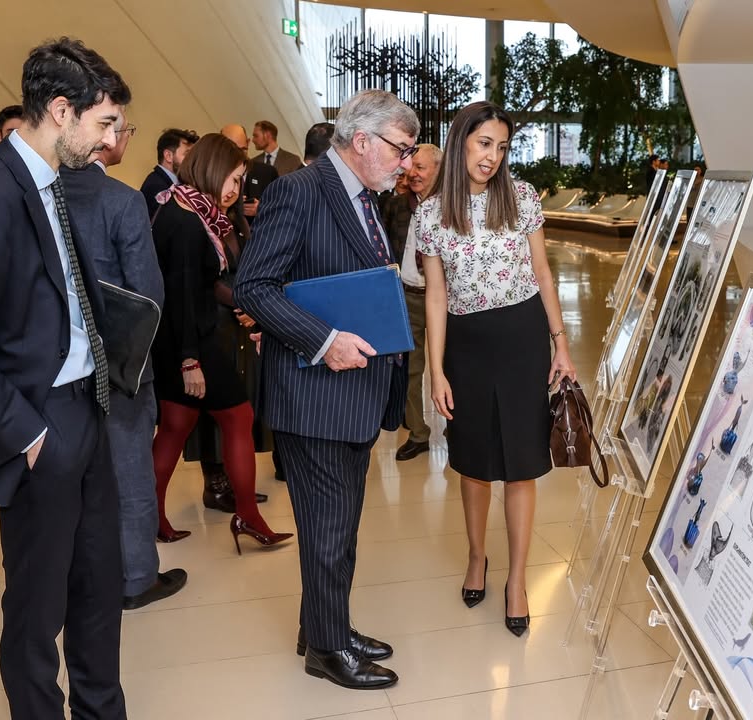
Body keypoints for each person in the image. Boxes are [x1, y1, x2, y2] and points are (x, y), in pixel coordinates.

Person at [0, 37, 131, 718]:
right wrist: (24, 434)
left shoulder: (52, 185)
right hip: (38, 425)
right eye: (103, 124)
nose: (111, 142)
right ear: (60, 111)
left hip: (87, 409)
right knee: (35, 609)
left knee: (98, 590)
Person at [234, 88, 419, 690]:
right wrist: (324, 340)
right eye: (400, 148)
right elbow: (254, 288)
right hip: (317, 394)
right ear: (361, 141)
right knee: (329, 531)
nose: (406, 162)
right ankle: (327, 649)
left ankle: (324, 626)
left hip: (352, 396)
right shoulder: (300, 190)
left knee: (335, 527)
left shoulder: (362, 197)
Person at [416, 101, 576, 638]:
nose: (493, 156)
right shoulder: (431, 214)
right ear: (462, 140)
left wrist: (561, 344)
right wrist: (435, 370)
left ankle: (518, 580)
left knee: (523, 463)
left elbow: (543, 274)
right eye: (484, 143)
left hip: (523, 339)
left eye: (502, 147)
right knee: (475, 462)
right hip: (467, 344)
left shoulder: (522, 198)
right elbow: (435, 297)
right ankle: (478, 556)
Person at [62, 113, 188, 610]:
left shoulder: (42, 193)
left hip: (58, 365)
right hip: (120, 363)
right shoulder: (121, 199)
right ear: (104, 140)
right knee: (130, 470)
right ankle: (136, 577)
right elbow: (148, 292)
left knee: (74, 475)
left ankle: (81, 576)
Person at [148, 133, 292, 553]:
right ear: (210, 168)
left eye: (240, 180)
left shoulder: (191, 210)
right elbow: (183, 295)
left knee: (175, 427)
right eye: (232, 178)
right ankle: (247, 516)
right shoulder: (188, 218)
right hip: (191, 341)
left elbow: (199, 285)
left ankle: (152, 517)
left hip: (180, 338)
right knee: (238, 418)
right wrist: (190, 360)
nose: (234, 189)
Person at [382, 143, 443, 461]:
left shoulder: (454, 207)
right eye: (411, 167)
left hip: (447, 301)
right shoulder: (397, 205)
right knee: (410, 369)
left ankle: (457, 429)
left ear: (437, 169)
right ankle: (419, 433)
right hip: (407, 296)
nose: (413, 173)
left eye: (420, 168)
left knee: (452, 368)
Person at [221, 123, 277, 224]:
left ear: (248, 142)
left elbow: (281, 210)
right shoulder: (212, 174)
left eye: (242, 150)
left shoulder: (267, 173)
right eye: (231, 151)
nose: (237, 156)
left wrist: (261, 209)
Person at [140, 127, 200, 218]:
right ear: (168, 156)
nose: (193, 161)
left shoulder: (173, 184)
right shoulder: (157, 186)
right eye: (188, 154)